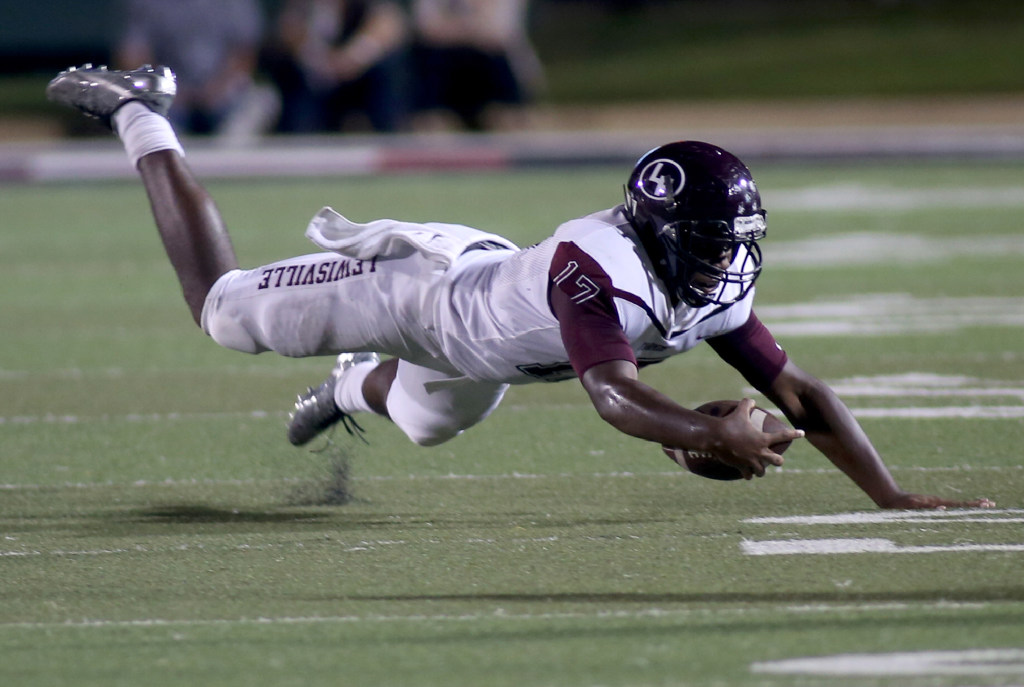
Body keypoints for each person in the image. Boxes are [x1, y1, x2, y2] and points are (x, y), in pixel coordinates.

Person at [46, 64, 995, 511]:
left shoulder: (702, 280)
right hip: (414, 293)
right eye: (706, 242)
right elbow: (615, 396)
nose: (722, 263)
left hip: (488, 332)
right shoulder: (602, 263)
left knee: (424, 421)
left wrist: (894, 495)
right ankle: (142, 111)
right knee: (222, 314)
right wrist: (707, 431)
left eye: (729, 243)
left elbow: (803, 394)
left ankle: (347, 386)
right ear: (663, 232)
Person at [114, 0, 278, 143]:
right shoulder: (149, 3)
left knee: (264, 98)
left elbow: (245, 53)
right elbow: (133, 55)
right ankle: (174, 156)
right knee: (134, 99)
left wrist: (215, 89)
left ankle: (227, 159)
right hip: (171, 95)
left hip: (223, 91)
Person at [263, 0, 409, 133]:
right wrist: (319, 60)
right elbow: (289, 30)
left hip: (361, 77)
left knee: (389, 66)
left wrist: (353, 57)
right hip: (315, 81)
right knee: (293, 77)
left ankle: (389, 133)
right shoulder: (301, 7)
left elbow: (389, 23)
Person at [410, 0, 543, 131]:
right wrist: (472, 27)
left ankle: (502, 114)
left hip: (494, 67)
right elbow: (426, 30)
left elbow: (500, 34)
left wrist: (459, 24)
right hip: (445, 69)